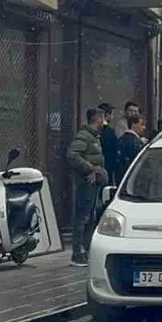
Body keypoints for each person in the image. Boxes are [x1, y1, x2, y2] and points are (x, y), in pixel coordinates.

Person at [66, 108, 109, 266]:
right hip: (87, 182)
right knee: (83, 217)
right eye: (103, 118)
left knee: (90, 217)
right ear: (98, 119)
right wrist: (90, 169)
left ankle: (85, 250)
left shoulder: (94, 137)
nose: (104, 122)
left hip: (94, 182)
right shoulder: (84, 136)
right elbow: (73, 155)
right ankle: (77, 253)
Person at [114, 115, 146, 184]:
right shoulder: (134, 142)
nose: (144, 127)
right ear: (134, 125)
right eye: (142, 124)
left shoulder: (121, 139)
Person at [97, 103, 120, 187]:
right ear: (107, 115)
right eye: (112, 114)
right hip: (106, 166)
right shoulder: (109, 132)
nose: (112, 117)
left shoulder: (94, 130)